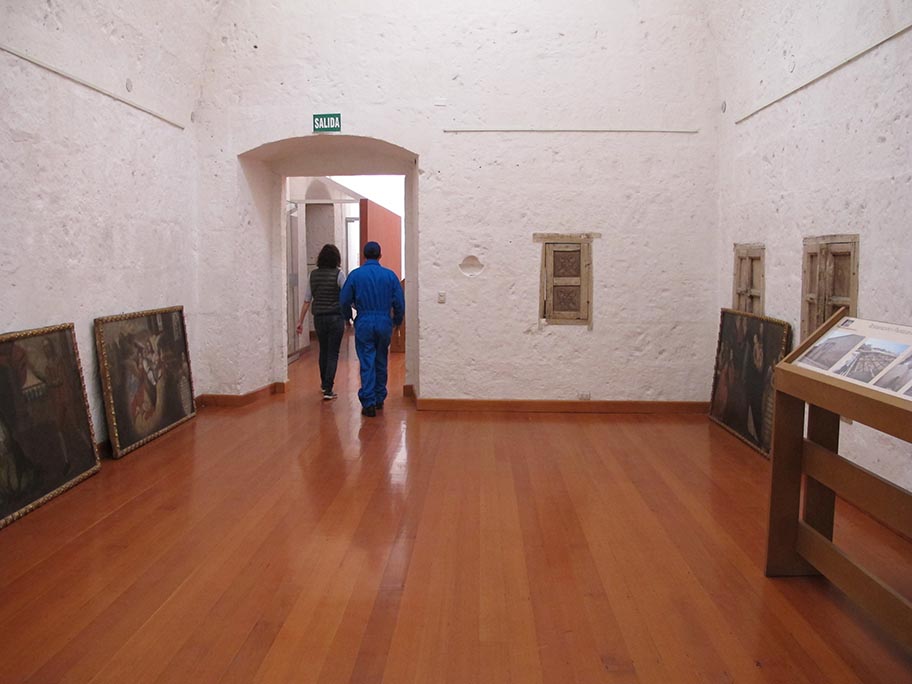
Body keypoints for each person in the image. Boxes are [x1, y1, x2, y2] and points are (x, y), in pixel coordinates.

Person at [340, 241, 404, 417]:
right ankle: (379, 397)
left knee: (367, 360)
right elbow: (399, 302)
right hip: (384, 321)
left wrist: (348, 317)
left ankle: (368, 402)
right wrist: (397, 320)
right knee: (381, 359)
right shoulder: (390, 276)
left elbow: (344, 300)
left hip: (364, 321)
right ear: (380, 255)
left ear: (364, 255)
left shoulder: (355, 275)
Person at [296, 244, 347, 400]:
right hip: (335, 318)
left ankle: (324, 384)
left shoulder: (313, 275)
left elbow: (307, 300)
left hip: (319, 318)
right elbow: (346, 296)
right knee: (333, 353)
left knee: (323, 350)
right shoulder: (339, 274)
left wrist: (300, 321)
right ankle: (328, 389)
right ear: (336, 258)